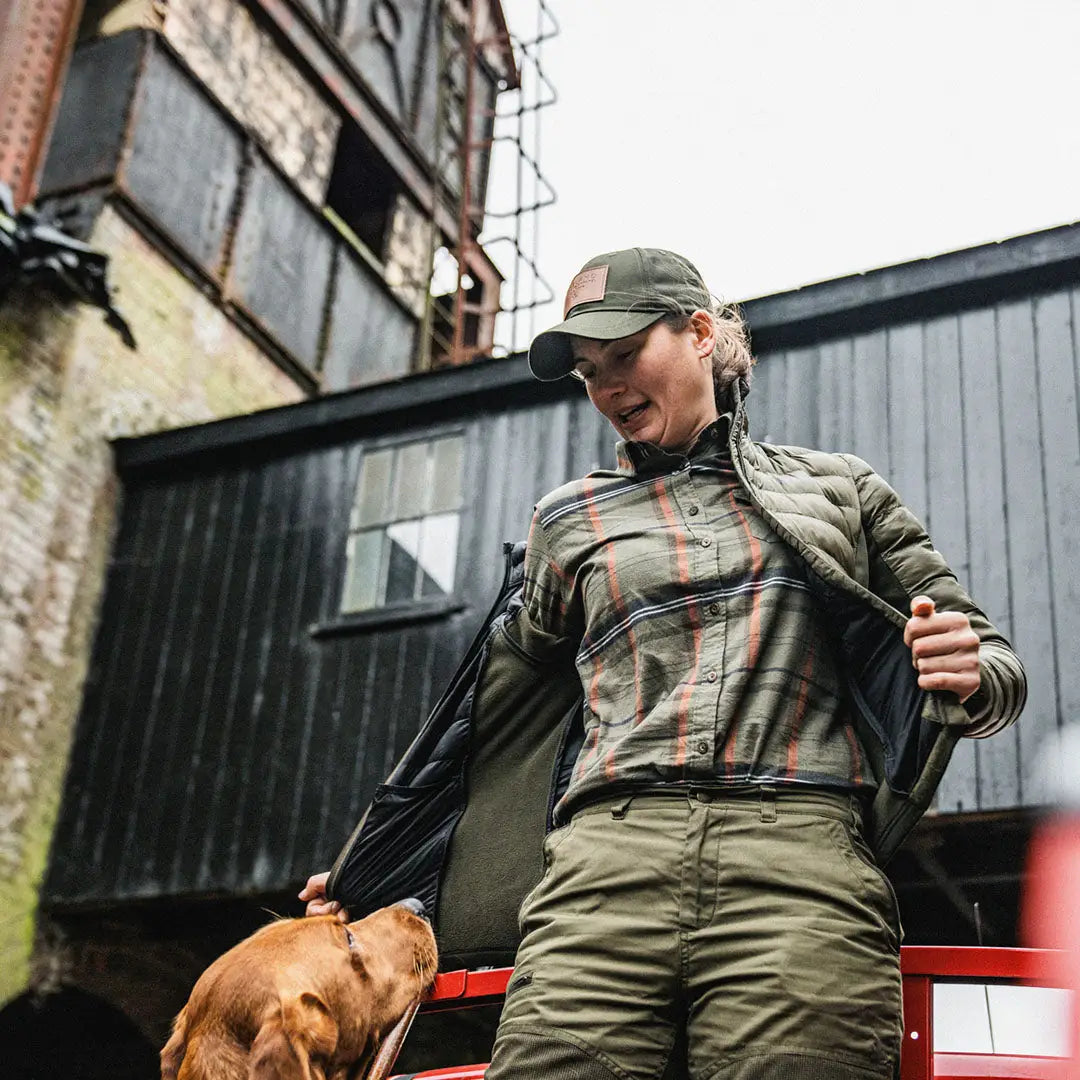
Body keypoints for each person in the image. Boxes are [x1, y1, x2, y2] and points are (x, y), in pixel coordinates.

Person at [303, 248, 1026, 1080]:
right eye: (586, 370)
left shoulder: (841, 490)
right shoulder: (567, 520)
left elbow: (994, 666)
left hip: (799, 866)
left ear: (700, 333)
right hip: (602, 871)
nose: (606, 386)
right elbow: (491, 719)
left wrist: (966, 671)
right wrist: (381, 867)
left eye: (623, 354)